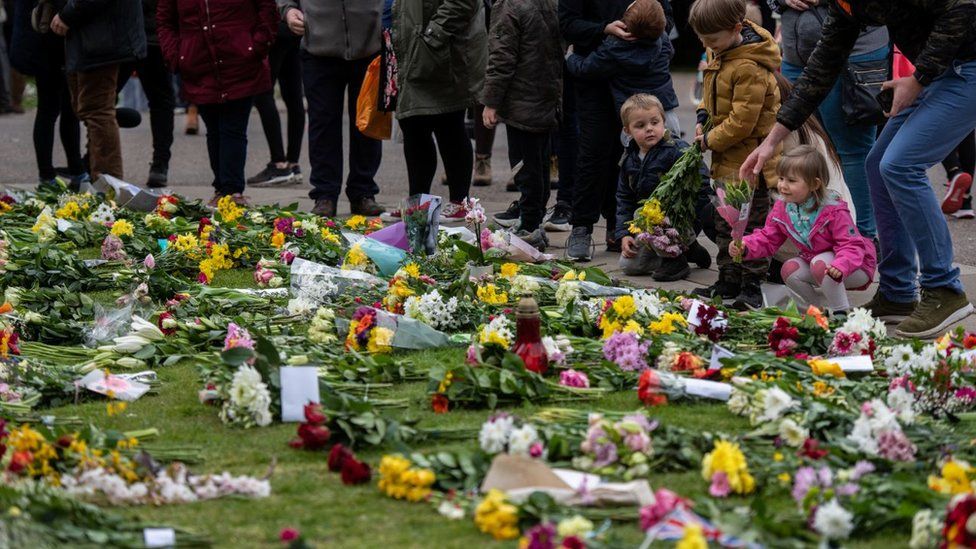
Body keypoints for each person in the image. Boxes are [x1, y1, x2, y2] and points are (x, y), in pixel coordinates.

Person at [742, 0, 976, 338]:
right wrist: (771, 141)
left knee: (901, 166)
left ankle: (944, 290)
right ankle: (897, 293)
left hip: (966, 68)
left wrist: (919, 78)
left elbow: (963, 7)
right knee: (878, 165)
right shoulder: (844, 6)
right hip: (940, 72)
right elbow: (821, 69)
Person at [559, 0, 673, 261]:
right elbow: (567, 24)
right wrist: (605, 29)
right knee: (593, 152)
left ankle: (620, 227)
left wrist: (641, 42)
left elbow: (664, 16)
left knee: (630, 157)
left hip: (635, 80)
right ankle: (582, 227)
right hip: (595, 76)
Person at [688, 0, 782, 311]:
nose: (707, 46)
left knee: (751, 225)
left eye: (712, 40)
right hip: (724, 160)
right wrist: (702, 118)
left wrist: (709, 141)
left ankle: (752, 283)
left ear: (736, 29)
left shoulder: (748, 67)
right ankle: (728, 277)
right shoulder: (721, 51)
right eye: (703, 40)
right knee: (724, 223)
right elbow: (709, 96)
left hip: (751, 162)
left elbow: (743, 122)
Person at [771, 0, 888, 240]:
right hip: (795, 56)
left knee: (853, 151)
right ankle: (811, 234)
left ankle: (863, 237)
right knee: (802, 150)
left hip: (853, 53)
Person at [158, 0, 277, 206]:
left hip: (240, 61)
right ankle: (223, 189)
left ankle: (231, 191)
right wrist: (176, 56)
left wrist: (256, 45)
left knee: (233, 128)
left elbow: (267, 9)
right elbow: (165, 21)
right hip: (199, 63)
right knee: (214, 130)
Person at [734, 145, 875, 313]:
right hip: (820, 265)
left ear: (814, 184)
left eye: (791, 181)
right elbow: (768, 237)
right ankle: (817, 311)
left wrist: (841, 264)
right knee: (789, 269)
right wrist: (745, 246)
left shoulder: (833, 209)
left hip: (854, 265)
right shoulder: (784, 207)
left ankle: (841, 313)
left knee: (819, 263)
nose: (783, 186)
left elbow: (852, 245)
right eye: (781, 178)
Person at [280, 0, 384, 218]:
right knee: (323, 124)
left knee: (366, 122)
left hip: (370, 44)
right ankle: (325, 194)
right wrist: (288, 10)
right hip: (318, 48)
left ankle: (363, 192)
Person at [391, 0, 486, 221]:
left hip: (441, 50)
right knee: (413, 123)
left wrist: (434, 34)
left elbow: (462, 4)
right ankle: (418, 203)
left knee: (448, 121)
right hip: (415, 45)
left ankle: (459, 201)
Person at [482, 0, 562, 251]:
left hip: (521, 101)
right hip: (547, 97)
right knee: (539, 164)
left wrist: (491, 101)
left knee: (525, 169)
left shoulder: (509, 6)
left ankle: (529, 226)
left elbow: (502, 57)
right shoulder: (550, 4)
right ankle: (535, 221)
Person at [615, 94, 711, 280]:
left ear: (663, 122)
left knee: (645, 213)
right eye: (640, 126)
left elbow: (702, 182)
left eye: (654, 122)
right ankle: (689, 250)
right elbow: (624, 197)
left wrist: (696, 216)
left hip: (681, 219)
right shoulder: (629, 159)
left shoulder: (677, 150)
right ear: (628, 131)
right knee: (628, 266)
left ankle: (676, 262)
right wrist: (624, 234)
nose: (649, 129)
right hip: (652, 224)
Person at [51, 0, 146, 180]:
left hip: (102, 39)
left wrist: (67, 14)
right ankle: (103, 183)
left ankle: (108, 187)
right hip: (95, 37)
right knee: (90, 110)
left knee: (97, 112)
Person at [564, 0, 680, 137]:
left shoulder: (615, 49)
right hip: (664, 114)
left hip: (635, 120)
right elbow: (670, 53)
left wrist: (570, 56)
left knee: (636, 156)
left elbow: (585, 68)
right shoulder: (663, 40)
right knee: (671, 152)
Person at [10, 0, 85, 186]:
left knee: (55, 109)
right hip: (51, 36)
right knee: (57, 108)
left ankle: (56, 174)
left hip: (43, 36)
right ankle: (68, 173)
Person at [115, 0, 175, 188]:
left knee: (102, 101)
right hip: (149, 33)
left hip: (130, 33)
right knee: (161, 102)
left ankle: (94, 158)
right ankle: (160, 165)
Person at [247, 20, 305, 188]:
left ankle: (279, 163)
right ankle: (293, 164)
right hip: (294, 26)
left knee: (262, 92)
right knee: (293, 96)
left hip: (274, 26)